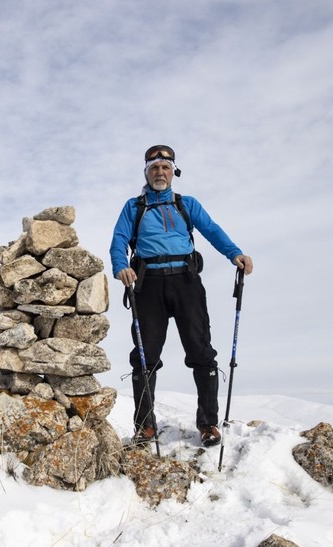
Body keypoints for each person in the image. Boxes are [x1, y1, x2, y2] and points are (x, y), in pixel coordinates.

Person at [109, 144, 253, 447]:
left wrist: (235, 253)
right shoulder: (133, 207)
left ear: (174, 171)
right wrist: (121, 267)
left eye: (165, 167)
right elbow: (119, 240)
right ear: (146, 173)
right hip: (148, 285)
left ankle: (208, 424)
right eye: (153, 168)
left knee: (201, 351)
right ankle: (145, 427)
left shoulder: (186, 204)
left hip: (187, 282)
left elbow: (211, 230)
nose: (159, 172)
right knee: (145, 356)